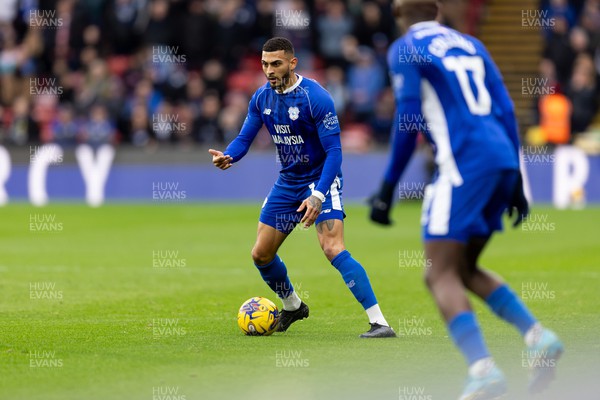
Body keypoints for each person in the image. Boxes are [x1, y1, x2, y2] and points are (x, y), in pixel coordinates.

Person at [368, 0, 563, 398]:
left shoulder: (405, 48)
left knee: (437, 273)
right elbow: (507, 109)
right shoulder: (470, 44)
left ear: (398, 12)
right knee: (464, 266)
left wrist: (388, 188)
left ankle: (483, 369)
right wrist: (517, 181)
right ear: (436, 9)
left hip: (462, 164)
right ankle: (537, 336)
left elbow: (408, 120)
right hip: (502, 158)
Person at [209, 37, 395, 338]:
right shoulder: (260, 99)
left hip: (321, 179)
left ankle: (379, 322)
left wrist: (318, 196)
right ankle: (293, 306)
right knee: (261, 254)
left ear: (292, 63)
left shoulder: (316, 98)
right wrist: (230, 155)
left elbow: (335, 152)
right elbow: (245, 138)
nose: (269, 70)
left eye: (276, 64)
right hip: (288, 180)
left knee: (332, 247)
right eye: (265, 64)